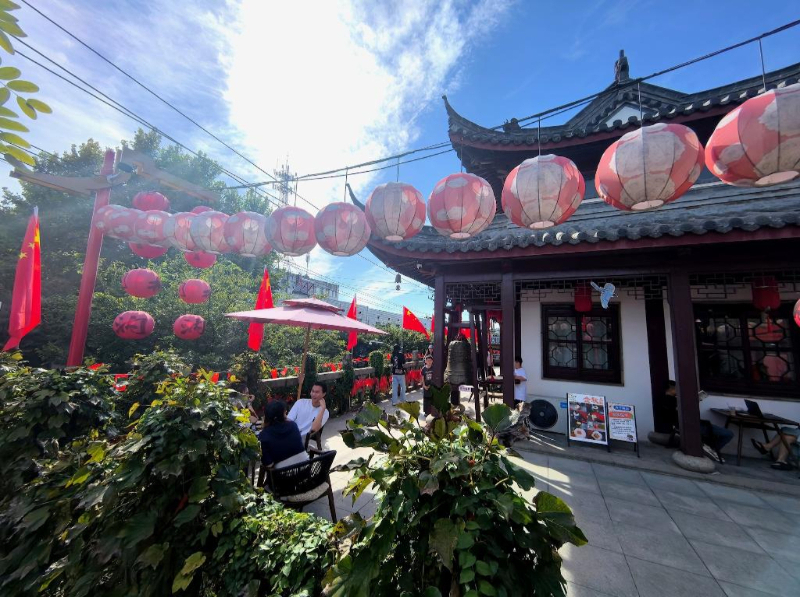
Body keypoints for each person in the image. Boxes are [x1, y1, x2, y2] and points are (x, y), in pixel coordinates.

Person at [665, 380, 734, 462]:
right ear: (672, 389)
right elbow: (688, 414)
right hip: (693, 426)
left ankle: (711, 448)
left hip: (686, 425)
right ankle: (712, 450)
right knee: (729, 434)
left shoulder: (669, 400)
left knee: (719, 433)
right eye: (677, 389)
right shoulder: (674, 402)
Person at [257, 400, 308, 468]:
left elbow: (269, 464)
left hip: (284, 473)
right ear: (283, 414)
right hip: (306, 468)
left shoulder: (264, 435)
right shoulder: (293, 425)